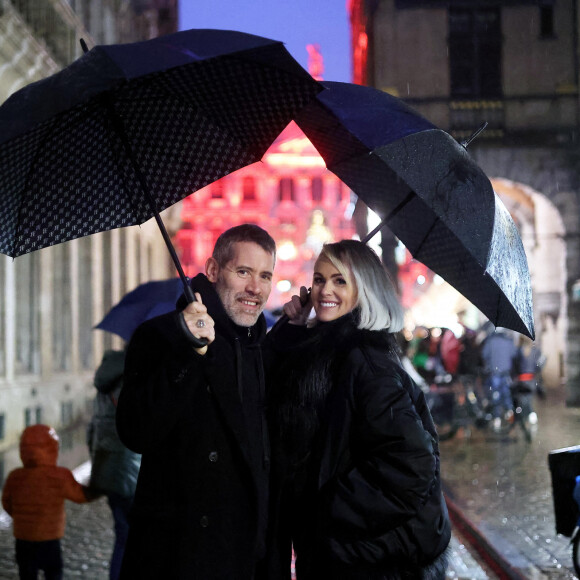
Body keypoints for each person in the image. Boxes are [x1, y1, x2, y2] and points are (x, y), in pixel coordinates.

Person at [267, 240, 451, 580]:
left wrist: (325, 506)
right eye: (319, 279)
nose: (325, 290)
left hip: (366, 561)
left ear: (363, 290)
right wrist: (290, 330)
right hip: (341, 553)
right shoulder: (325, 351)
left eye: (340, 281)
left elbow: (411, 466)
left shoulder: (365, 362)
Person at [116, 224, 276, 579]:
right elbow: (135, 431)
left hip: (246, 557)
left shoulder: (261, 349)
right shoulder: (159, 335)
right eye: (244, 272)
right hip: (178, 557)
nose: (255, 288)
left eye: (265, 275)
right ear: (214, 270)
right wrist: (191, 351)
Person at [1, 424, 98, 580]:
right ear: (53, 449)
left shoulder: (15, 476)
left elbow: (6, 503)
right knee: (53, 573)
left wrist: (21, 518)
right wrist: (100, 488)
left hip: (23, 539)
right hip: (49, 540)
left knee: (26, 574)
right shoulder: (59, 476)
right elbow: (80, 496)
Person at [87, 349, 141, 580]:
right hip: (131, 471)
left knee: (122, 534)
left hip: (107, 469)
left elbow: (93, 430)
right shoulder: (132, 380)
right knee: (135, 538)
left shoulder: (104, 382)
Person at [480, 327, 518, 430]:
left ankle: (497, 418)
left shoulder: (490, 341)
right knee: (506, 393)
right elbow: (514, 354)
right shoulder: (508, 340)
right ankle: (509, 414)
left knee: (495, 395)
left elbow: (484, 354)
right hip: (506, 372)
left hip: (494, 372)